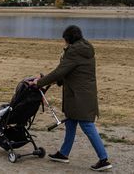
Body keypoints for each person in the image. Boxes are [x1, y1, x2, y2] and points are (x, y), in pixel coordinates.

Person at [31, 25, 112, 171]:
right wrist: (57, 80)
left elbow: (60, 71)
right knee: (70, 122)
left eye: (64, 40)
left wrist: (39, 83)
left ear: (69, 39)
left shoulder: (74, 51)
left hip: (80, 96)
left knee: (87, 125)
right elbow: (69, 72)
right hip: (79, 94)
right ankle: (63, 153)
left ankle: (104, 159)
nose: (64, 43)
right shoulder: (84, 48)